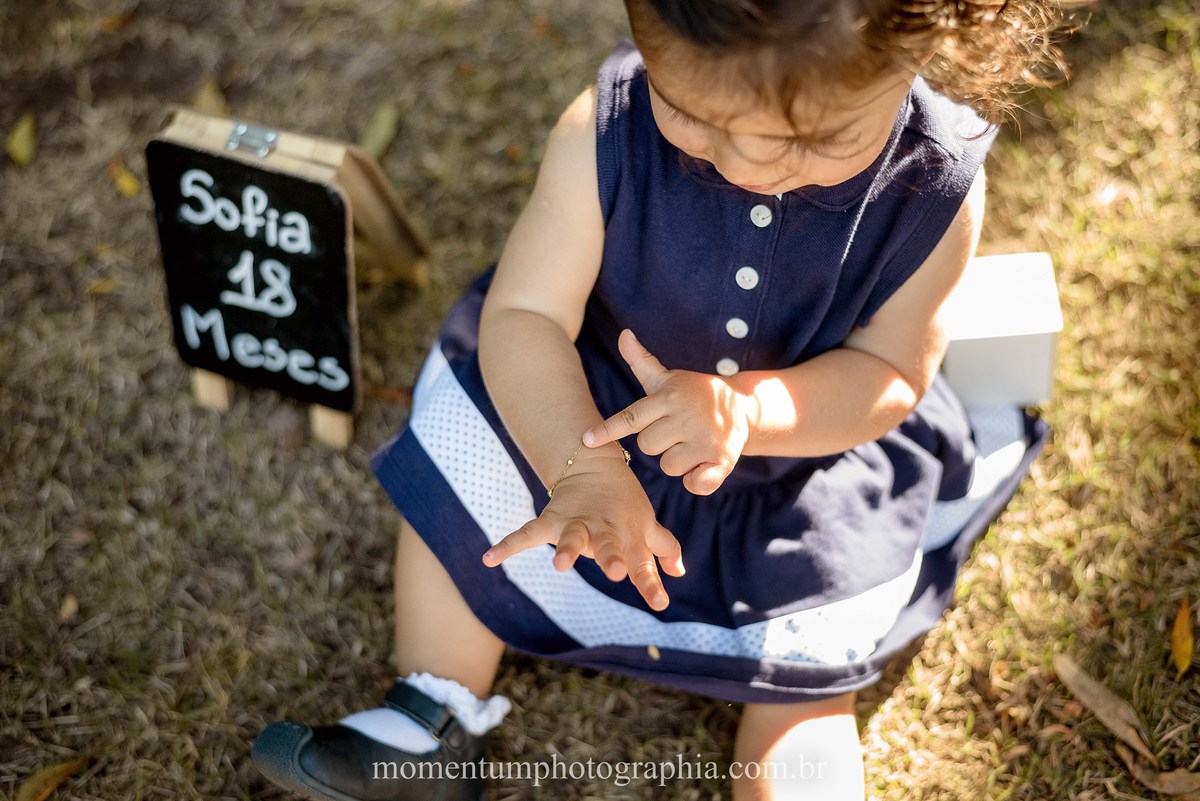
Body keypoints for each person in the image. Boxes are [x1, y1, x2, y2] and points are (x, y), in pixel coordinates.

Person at [252, 1, 1071, 798]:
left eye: (818, 138)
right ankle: (431, 716)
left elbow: (891, 373)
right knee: (462, 510)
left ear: (921, 47)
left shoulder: (936, 185)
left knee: (803, 679)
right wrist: (579, 465)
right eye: (694, 116)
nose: (746, 161)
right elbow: (526, 314)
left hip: (792, 475)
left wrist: (751, 411)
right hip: (583, 410)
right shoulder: (604, 128)